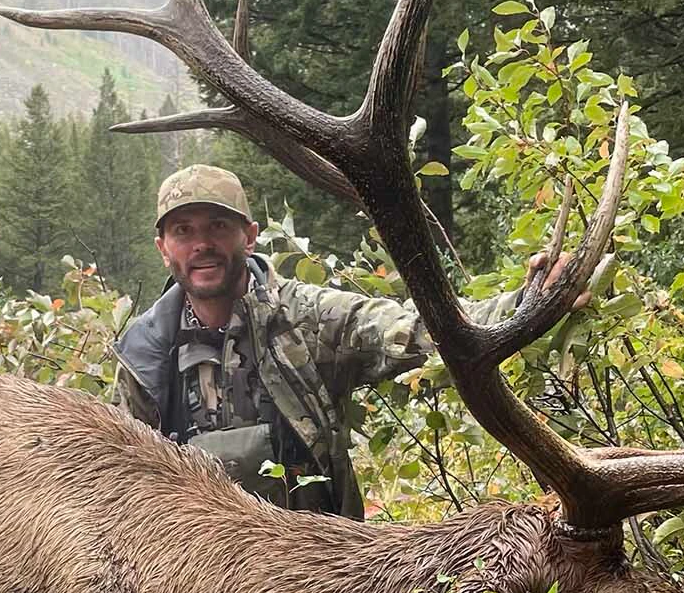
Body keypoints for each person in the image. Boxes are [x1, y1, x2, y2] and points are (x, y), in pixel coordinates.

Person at [114, 164, 580, 519]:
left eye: (218, 226)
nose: (201, 244)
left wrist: (527, 302)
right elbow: (121, 485)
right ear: (163, 248)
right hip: (193, 587)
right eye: (183, 231)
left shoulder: (306, 317)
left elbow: (411, 330)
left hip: (318, 575)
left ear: (250, 236)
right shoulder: (143, 355)